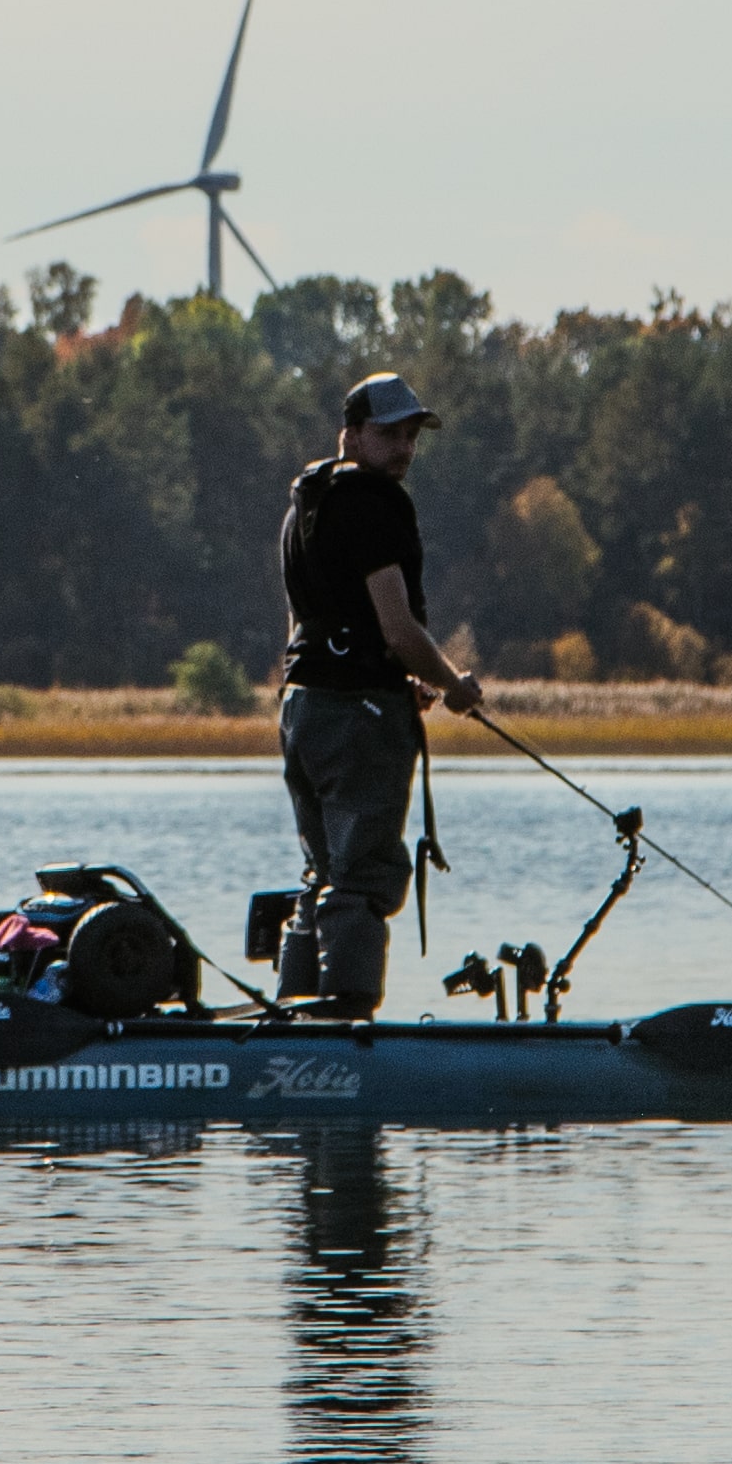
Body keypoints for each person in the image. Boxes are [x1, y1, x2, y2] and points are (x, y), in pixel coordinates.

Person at [275, 372, 482, 1011]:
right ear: (353, 435)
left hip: (302, 709)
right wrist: (453, 686)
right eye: (389, 433)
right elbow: (397, 626)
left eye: (412, 434)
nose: (403, 448)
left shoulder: (303, 504)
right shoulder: (374, 502)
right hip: (357, 717)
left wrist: (405, 679)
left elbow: (308, 625)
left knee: (326, 873)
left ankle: (295, 1012)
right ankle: (344, 1022)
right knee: (362, 876)